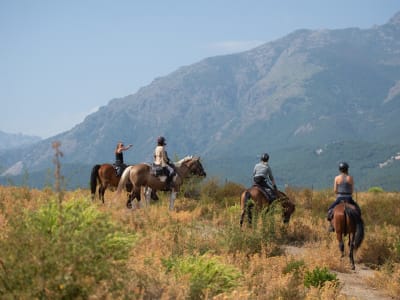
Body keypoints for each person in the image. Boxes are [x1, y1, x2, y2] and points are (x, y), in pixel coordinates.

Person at [327, 162, 361, 232]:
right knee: (358, 210)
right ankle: (357, 225)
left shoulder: (336, 178)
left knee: (329, 209)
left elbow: (335, 190)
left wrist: (339, 193)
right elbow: (351, 190)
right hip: (349, 198)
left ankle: (331, 226)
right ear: (347, 169)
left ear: (340, 169)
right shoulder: (350, 178)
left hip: (339, 198)